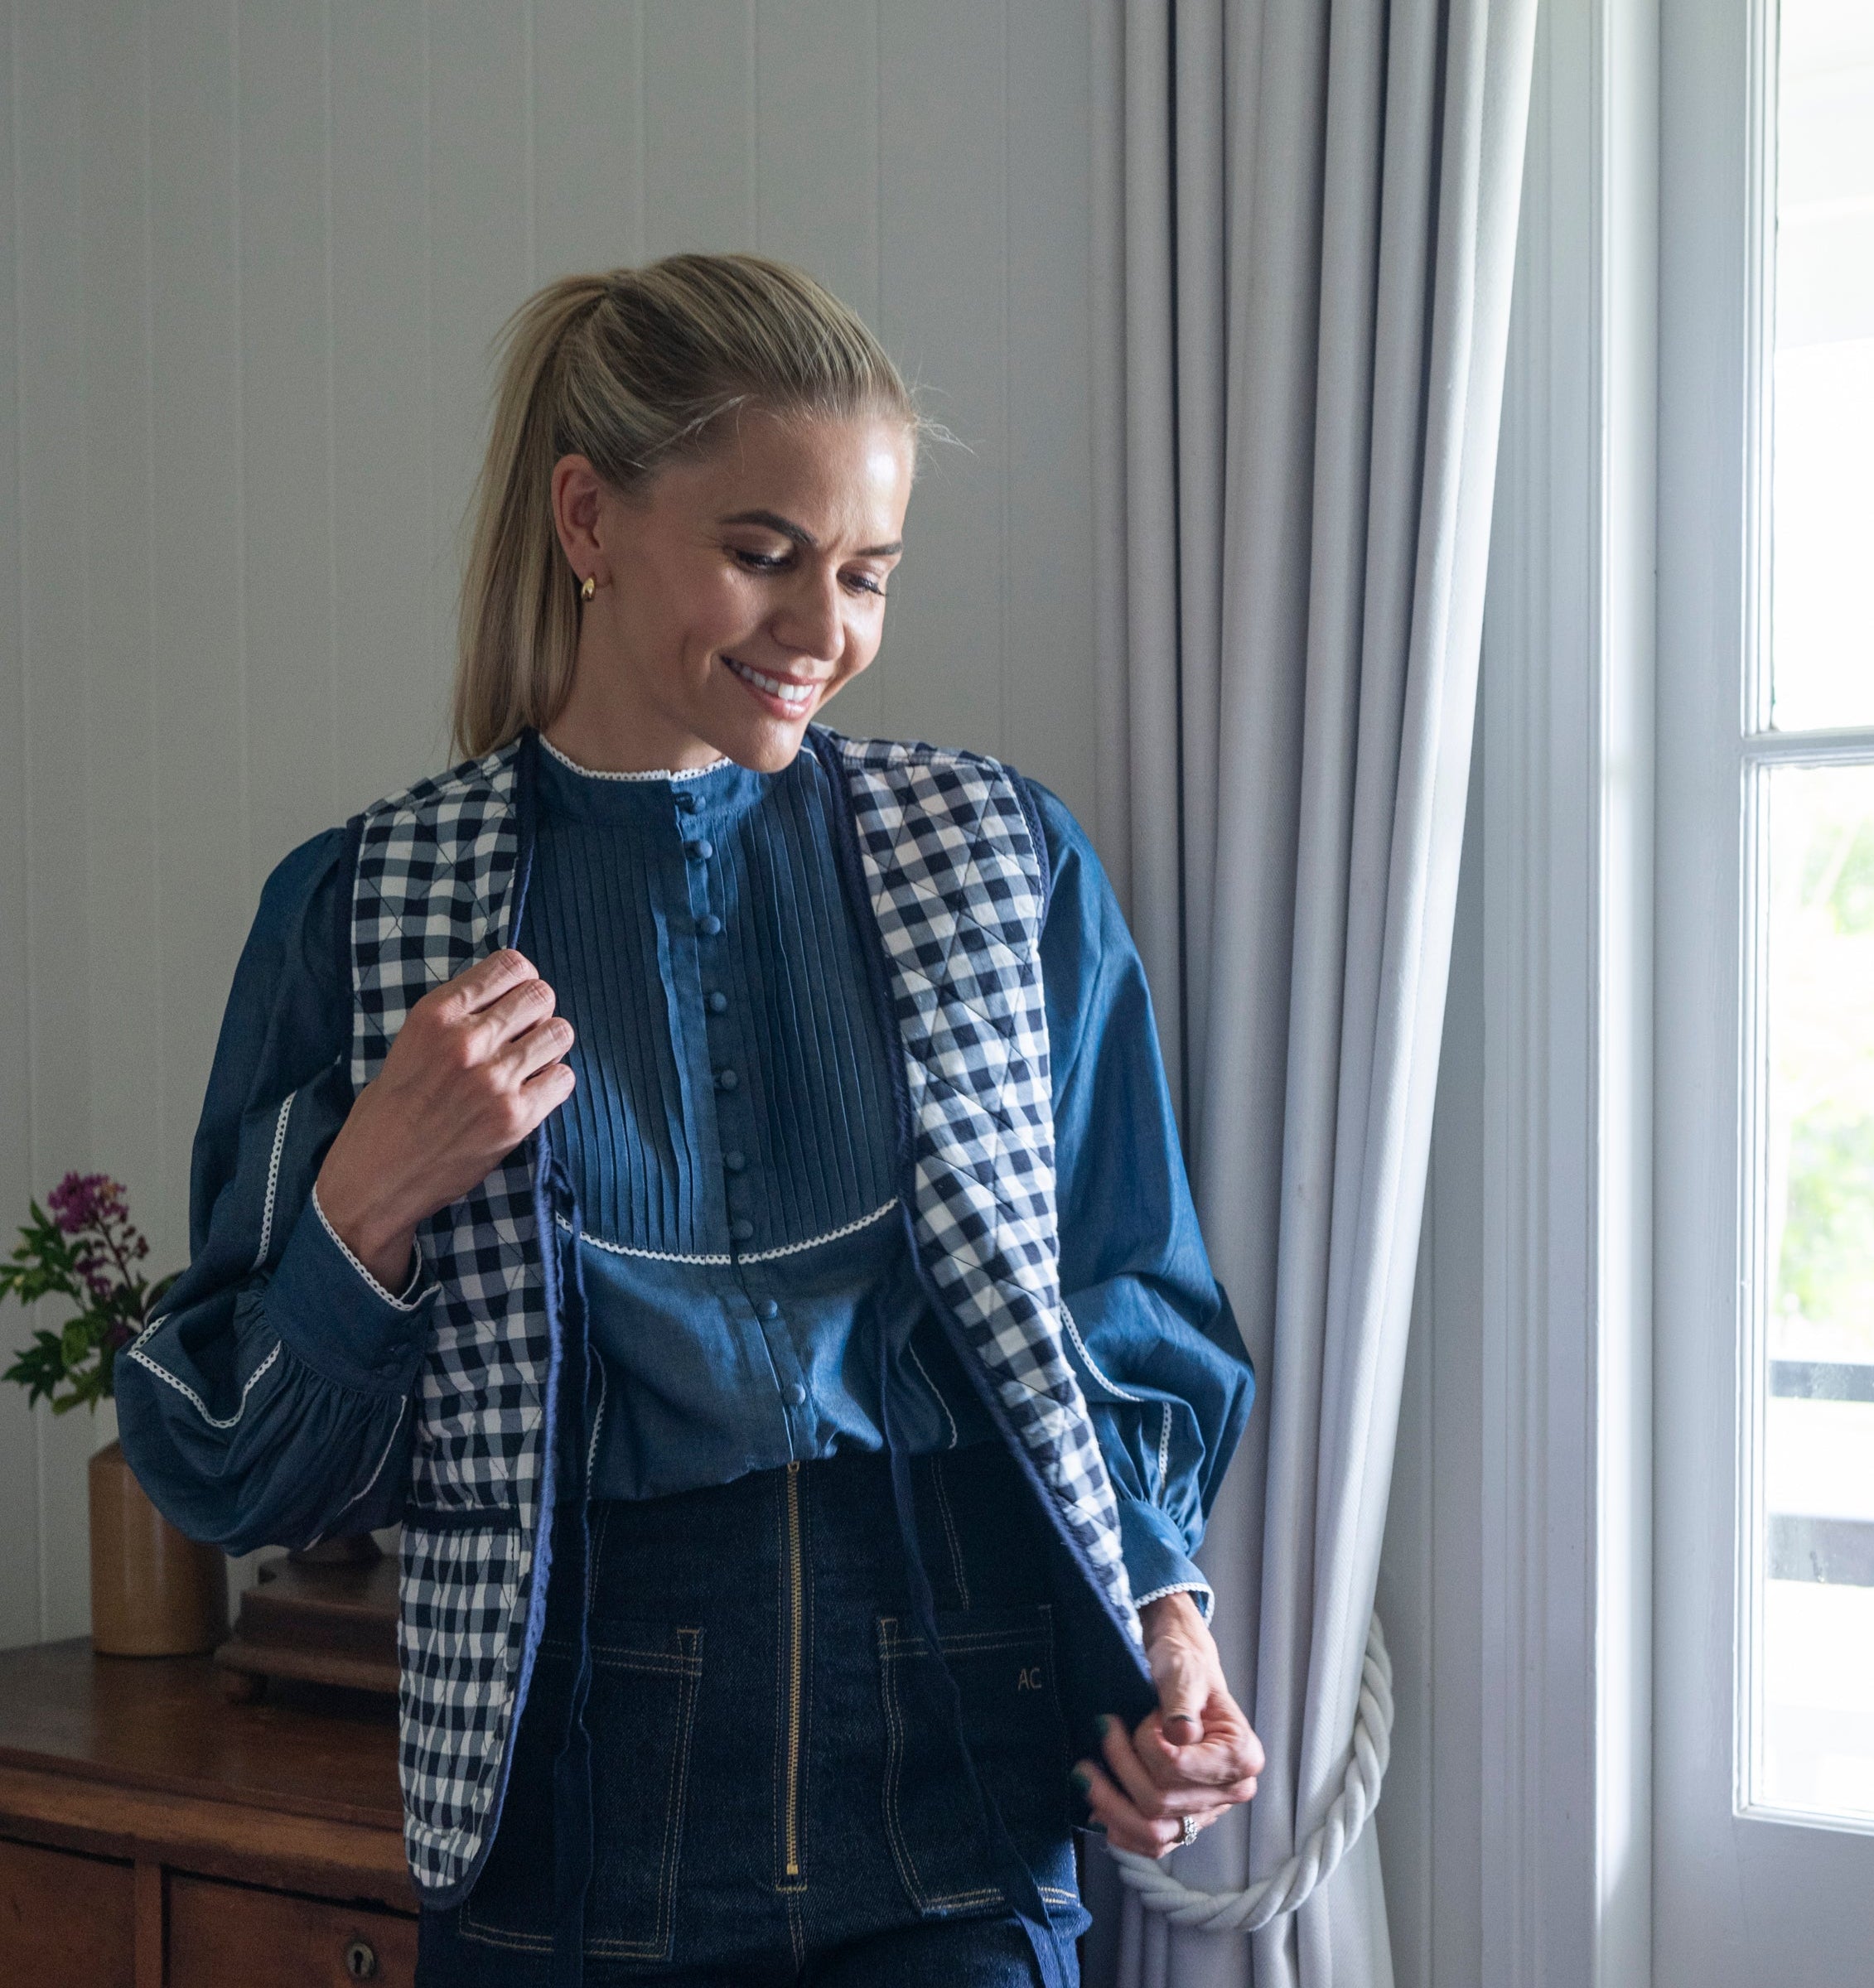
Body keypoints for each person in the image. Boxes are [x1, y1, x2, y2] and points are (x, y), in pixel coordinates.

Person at [116, 253, 1261, 1988]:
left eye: (866, 574)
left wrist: (1170, 1621)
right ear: (589, 517)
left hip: (960, 1824)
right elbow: (228, 1463)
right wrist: (366, 1207)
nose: (823, 634)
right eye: (762, 555)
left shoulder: (1004, 866)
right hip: (568, 1863)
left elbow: (1124, 1309)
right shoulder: (364, 915)